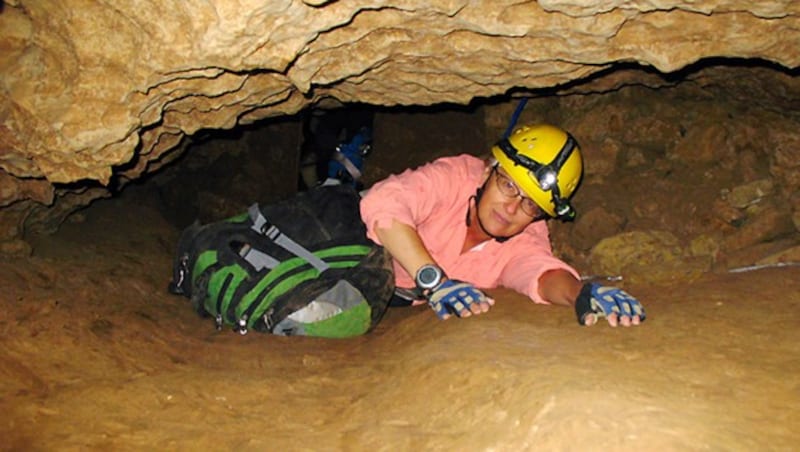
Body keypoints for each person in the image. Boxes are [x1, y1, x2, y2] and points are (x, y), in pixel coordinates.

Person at [359, 123, 645, 327]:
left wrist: (580, 293)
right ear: (487, 172)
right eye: (508, 184)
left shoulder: (526, 236)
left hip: (393, 303)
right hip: (350, 255)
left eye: (530, 204)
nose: (511, 208)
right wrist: (435, 282)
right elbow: (383, 203)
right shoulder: (455, 178)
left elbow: (541, 272)